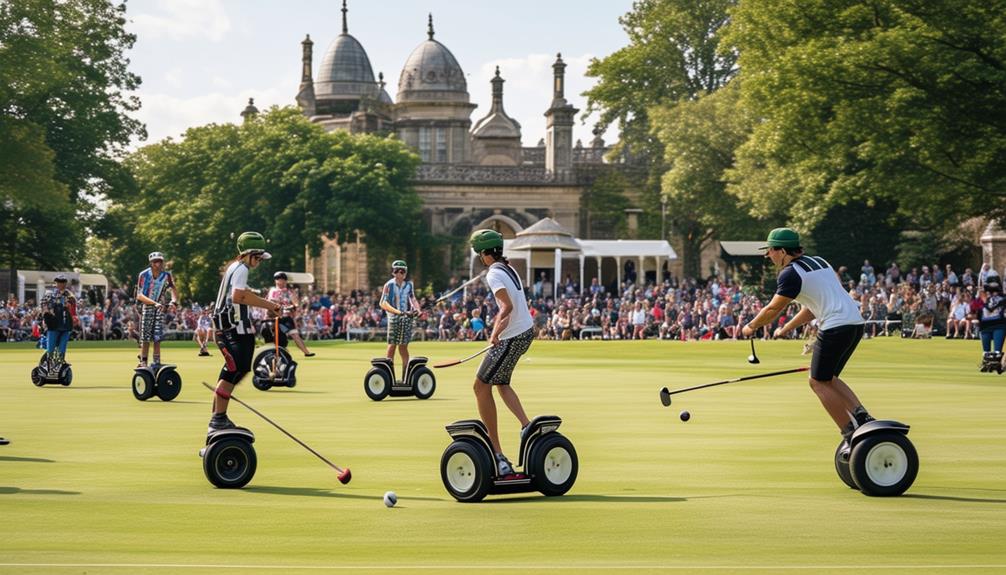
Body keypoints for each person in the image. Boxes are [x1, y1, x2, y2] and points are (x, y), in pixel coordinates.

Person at [741, 228, 875, 461]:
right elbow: (813, 307)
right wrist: (785, 328)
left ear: (782, 251)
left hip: (835, 326)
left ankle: (850, 433)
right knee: (829, 377)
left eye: (770, 251)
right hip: (854, 323)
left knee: (817, 381)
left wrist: (751, 326)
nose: (768, 256)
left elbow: (773, 308)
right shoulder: (820, 262)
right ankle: (862, 416)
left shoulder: (790, 274)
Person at [469, 229, 535, 477]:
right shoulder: (508, 268)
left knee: (480, 387)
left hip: (512, 336)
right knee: (501, 382)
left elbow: (506, 306)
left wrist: (495, 333)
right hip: (526, 332)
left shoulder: (494, 273)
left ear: (485, 254)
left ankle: (498, 454)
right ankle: (527, 426)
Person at [207, 232, 283, 433]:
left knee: (237, 370)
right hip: (233, 328)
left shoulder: (235, 267)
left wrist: (264, 301)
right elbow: (238, 296)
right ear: (247, 254)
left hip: (230, 327)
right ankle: (218, 418)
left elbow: (241, 293)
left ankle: (218, 416)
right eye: (257, 257)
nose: (259, 261)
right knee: (234, 370)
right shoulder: (241, 269)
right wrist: (270, 305)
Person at [135, 252, 179, 368]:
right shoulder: (144, 275)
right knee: (145, 337)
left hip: (160, 307)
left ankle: (156, 361)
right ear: (151, 263)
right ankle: (143, 361)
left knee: (157, 337)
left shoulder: (166, 275)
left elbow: (173, 288)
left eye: (160, 261)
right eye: (155, 262)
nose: (158, 264)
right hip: (147, 307)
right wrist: (154, 303)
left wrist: (174, 301)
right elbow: (139, 295)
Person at [379, 260, 421, 382]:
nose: (400, 274)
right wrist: (398, 312)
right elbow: (383, 303)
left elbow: (412, 299)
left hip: (406, 318)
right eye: (397, 271)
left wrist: (417, 310)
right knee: (392, 346)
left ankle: (405, 378)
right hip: (393, 318)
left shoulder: (409, 285)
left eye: (403, 271)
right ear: (393, 272)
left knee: (403, 347)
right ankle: (388, 377)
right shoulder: (389, 285)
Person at [266, 272, 315, 357]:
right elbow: (269, 302)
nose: (282, 282)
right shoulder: (272, 291)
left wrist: (292, 306)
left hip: (286, 316)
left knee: (295, 334)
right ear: (276, 281)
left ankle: (306, 352)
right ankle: (277, 353)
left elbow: (296, 303)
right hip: (274, 317)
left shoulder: (289, 292)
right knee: (276, 337)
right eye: (279, 279)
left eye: (283, 280)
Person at [40, 274, 77, 372]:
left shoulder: (70, 296)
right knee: (51, 348)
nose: (61, 284)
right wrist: (45, 318)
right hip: (53, 325)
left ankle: (60, 365)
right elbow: (43, 307)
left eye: (63, 282)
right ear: (56, 283)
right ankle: (48, 365)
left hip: (66, 325)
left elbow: (73, 310)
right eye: (59, 282)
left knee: (62, 347)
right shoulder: (49, 294)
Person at [978, 271, 1006, 372]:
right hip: (985, 325)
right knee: (986, 352)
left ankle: (998, 365)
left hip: (999, 324)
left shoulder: (1003, 298)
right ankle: (987, 364)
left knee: (997, 351)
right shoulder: (983, 297)